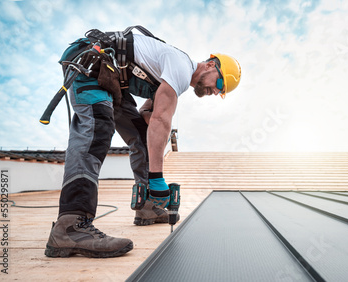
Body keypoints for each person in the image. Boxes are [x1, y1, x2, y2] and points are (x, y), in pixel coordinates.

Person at [44, 26, 241, 258]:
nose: (216, 92)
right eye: (219, 84)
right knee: (97, 128)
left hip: (111, 77)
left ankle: (148, 207)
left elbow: (150, 116)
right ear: (210, 64)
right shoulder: (181, 66)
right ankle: (71, 224)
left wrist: (151, 129)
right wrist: (157, 178)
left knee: (141, 134)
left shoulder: (171, 74)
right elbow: (161, 120)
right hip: (92, 62)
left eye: (221, 92)